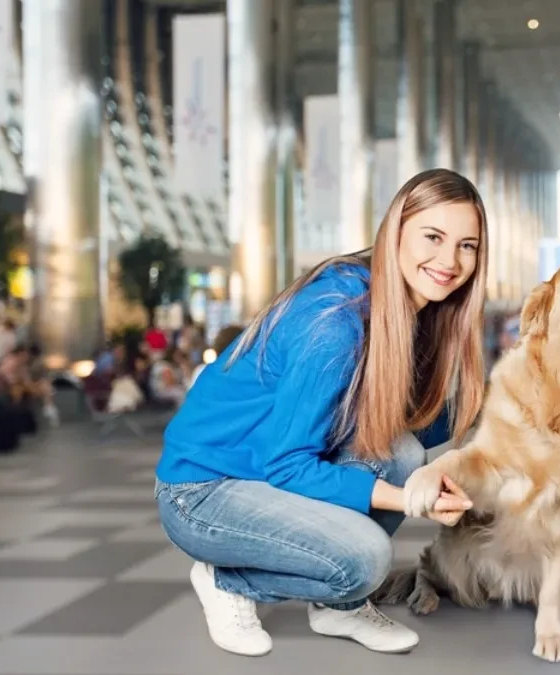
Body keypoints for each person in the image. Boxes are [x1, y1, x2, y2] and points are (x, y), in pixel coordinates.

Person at [154, 169, 488, 658]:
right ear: (395, 232)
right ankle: (228, 581)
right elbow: (289, 465)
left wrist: (506, 403)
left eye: (467, 245)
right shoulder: (336, 323)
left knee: (402, 452)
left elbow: (414, 422)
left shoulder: (410, 311)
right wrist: (408, 499)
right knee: (365, 559)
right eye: (433, 237)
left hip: (266, 471)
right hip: (203, 489)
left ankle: (338, 608)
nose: (450, 261)